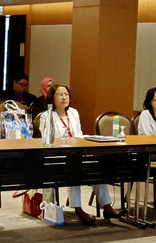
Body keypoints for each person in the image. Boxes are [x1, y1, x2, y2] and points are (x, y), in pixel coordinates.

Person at [35, 83, 121, 225]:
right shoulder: (46, 116)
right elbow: (47, 140)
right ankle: (78, 208)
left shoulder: (74, 113)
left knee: (96, 166)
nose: (64, 97)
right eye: (60, 94)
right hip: (58, 156)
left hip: (76, 153)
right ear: (52, 98)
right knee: (74, 166)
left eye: (66, 94)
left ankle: (107, 206)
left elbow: (79, 135)